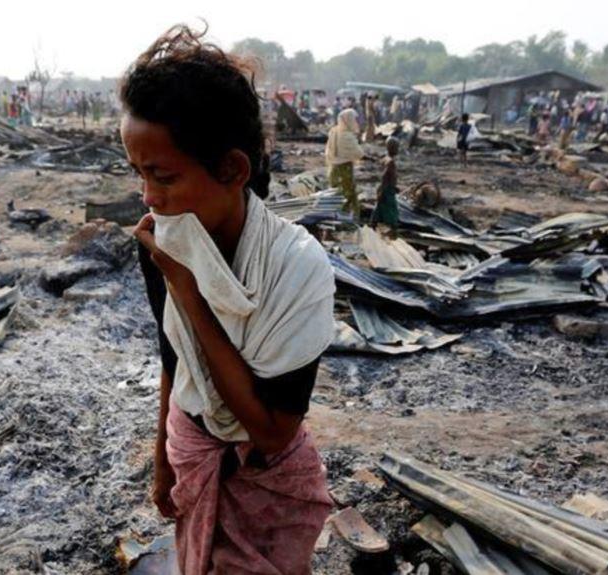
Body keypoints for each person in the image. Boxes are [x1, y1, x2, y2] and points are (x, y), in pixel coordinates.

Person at [122, 25, 334, 574]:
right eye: (138, 174)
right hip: (193, 448)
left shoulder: (296, 267)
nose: (148, 196)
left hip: (265, 476)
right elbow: (173, 355)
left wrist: (188, 292)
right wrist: (163, 462)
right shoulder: (162, 243)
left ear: (233, 170)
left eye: (163, 176)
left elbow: (270, 429)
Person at [325, 108, 364, 219]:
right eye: (354, 119)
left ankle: (337, 217)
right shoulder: (347, 136)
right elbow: (359, 153)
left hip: (333, 168)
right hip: (344, 169)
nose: (355, 122)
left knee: (336, 193)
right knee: (348, 194)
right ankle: (348, 218)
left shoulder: (334, 131)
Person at [370, 137, 401, 238]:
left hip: (386, 188)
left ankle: (373, 229)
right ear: (392, 148)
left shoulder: (385, 159)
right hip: (387, 190)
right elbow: (385, 176)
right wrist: (383, 189)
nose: (398, 149)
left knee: (380, 209)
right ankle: (393, 234)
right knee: (392, 212)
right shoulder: (390, 162)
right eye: (396, 147)